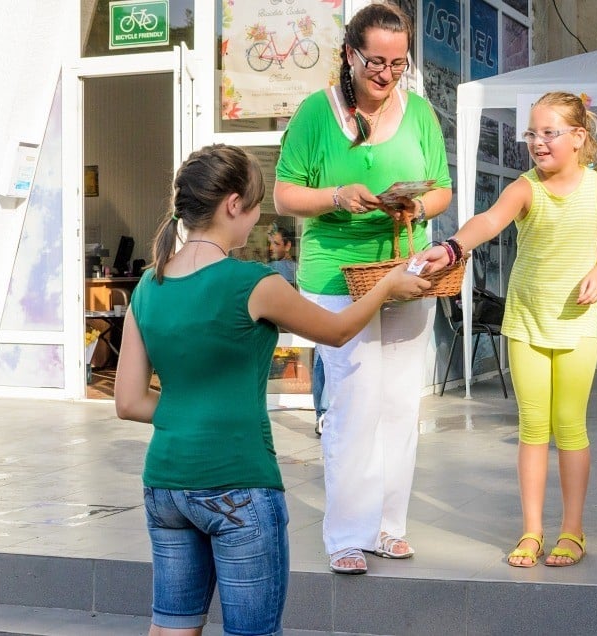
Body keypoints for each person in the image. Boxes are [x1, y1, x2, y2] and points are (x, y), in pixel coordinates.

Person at [113, 144, 429, 634]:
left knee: (171, 628)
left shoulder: (148, 288)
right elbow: (340, 331)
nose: (257, 219)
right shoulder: (254, 283)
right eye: (256, 206)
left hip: (166, 485)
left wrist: (188, 415)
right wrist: (388, 284)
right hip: (238, 483)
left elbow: (129, 402)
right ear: (233, 204)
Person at [272, 2, 453, 575]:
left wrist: (417, 205)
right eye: (376, 61)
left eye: (398, 65)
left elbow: (443, 191)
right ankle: (346, 534)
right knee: (354, 404)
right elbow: (282, 196)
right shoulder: (314, 114)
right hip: (335, 279)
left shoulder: (420, 114)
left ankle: (387, 526)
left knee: (401, 404)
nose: (386, 74)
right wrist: (335, 196)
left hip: (405, 271)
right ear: (350, 54)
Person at [419, 91, 597, 567]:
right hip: (527, 320)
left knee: (570, 426)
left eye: (548, 132)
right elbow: (488, 221)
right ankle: (532, 531)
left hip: (578, 324)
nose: (537, 142)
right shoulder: (526, 187)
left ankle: (573, 532)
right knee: (533, 427)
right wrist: (451, 249)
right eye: (532, 133)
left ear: (578, 137)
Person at [267, 219, 297, 284]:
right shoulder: (297, 268)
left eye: (276, 244)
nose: (270, 248)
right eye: (269, 243)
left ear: (287, 246)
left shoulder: (272, 267)